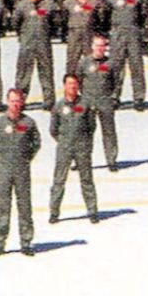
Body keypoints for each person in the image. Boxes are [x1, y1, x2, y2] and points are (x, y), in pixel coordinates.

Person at [0, 88, 41, 257]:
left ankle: (26, 241)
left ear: (22, 102)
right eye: (12, 100)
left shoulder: (29, 123)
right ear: (7, 101)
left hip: (22, 169)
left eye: (18, 101)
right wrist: (1, 160)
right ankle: (0, 242)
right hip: (4, 170)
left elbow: (36, 144)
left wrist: (25, 159)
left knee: (24, 206)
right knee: (3, 206)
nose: (15, 104)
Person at [48, 73, 99, 224]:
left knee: (87, 179)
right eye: (70, 84)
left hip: (82, 147)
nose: (73, 87)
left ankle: (92, 211)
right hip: (64, 147)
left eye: (75, 84)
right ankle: (54, 212)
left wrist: (84, 141)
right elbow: (53, 129)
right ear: (64, 86)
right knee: (59, 180)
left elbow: (92, 126)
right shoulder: (58, 106)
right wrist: (63, 141)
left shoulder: (85, 104)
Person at [13, 0, 58, 110]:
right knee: (23, 73)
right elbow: (16, 23)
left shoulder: (50, 4)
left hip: (43, 43)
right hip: (27, 43)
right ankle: (20, 100)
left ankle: (49, 101)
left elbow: (55, 23)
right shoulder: (22, 5)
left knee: (46, 72)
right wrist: (23, 35)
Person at [80, 32, 122, 171]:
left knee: (109, 132)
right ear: (92, 46)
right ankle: (83, 161)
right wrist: (82, 98)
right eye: (97, 45)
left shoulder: (110, 63)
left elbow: (117, 82)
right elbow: (77, 80)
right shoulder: (84, 62)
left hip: (105, 100)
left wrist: (114, 97)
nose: (99, 48)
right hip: (88, 101)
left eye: (102, 46)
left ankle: (111, 160)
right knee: (85, 133)